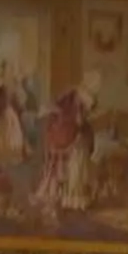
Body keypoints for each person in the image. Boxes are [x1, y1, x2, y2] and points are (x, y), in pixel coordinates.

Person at [41, 72, 103, 214]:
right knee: (75, 169)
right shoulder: (77, 96)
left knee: (77, 169)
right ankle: (71, 199)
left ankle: (72, 199)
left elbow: (80, 118)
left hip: (73, 137)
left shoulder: (75, 96)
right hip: (72, 137)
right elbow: (78, 119)